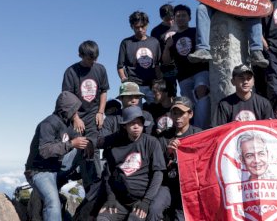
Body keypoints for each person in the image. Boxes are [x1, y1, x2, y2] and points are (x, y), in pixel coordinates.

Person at [24, 91, 90, 221]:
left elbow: (78, 140)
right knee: (53, 202)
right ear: (66, 109)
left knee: (82, 151)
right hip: (39, 171)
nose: (77, 113)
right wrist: (71, 143)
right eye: (74, 110)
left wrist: (87, 144)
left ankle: (91, 187)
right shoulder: (48, 124)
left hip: (55, 167)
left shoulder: (67, 124)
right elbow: (45, 150)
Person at [97, 106, 170, 221]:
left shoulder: (151, 143)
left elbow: (158, 174)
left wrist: (146, 201)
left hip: (141, 200)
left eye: (139, 123)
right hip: (120, 200)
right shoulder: (115, 146)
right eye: (132, 123)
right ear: (125, 126)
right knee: (103, 218)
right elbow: (108, 175)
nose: (136, 126)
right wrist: (110, 197)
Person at [62, 40, 109, 192]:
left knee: (93, 148)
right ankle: (82, 184)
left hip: (93, 115)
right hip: (76, 116)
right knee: (80, 148)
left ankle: (95, 186)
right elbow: (67, 98)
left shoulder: (100, 69)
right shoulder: (71, 72)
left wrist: (101, 112)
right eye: (89, 59)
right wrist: (75, 117)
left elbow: (103, 91)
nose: (92, 62)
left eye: (95, 58)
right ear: (80, 55)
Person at [162, 4, 211, 128]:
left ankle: (201, 129)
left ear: (189, 18)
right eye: (178, 16)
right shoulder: (172, 37)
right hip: (183, 76)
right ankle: (191, 129)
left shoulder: (196, 32)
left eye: (184, 15)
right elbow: (166, 61)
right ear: (174, 18)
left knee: (201, 92)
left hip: (200, 70)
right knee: (188, 104)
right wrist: (167, 46)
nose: (181, 18)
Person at [158, 96, 203, 221]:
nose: (178, 117)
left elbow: (204, 163)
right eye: (175, 113)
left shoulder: (198, 134)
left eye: (182, 113)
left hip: (190, 186)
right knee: (154, 209)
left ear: (190, 114)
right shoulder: (163, 137)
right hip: (168, 185)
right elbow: (158, 166)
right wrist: (169, 153)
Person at [117, 11, 162, 103]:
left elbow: (157, 64)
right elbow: (120, 66)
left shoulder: (155, 42)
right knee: (135, 113)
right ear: (132, 27)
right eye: (137, 27)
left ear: (147, 25)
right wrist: (124, 80)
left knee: (156, 110)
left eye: (143, 26)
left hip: (151, 85)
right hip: (134, 86)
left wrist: (159, 82)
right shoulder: (126, 43)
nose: (140, 29)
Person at [151, 3, 178, 98]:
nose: (170, 22)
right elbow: (155, 51)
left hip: (181, 63)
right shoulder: (156, 31)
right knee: (170, 93)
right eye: (167, 19)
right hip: (166, 66)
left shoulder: (180, 24)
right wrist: (157, 68)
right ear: (161, 17)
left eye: (172, 18)